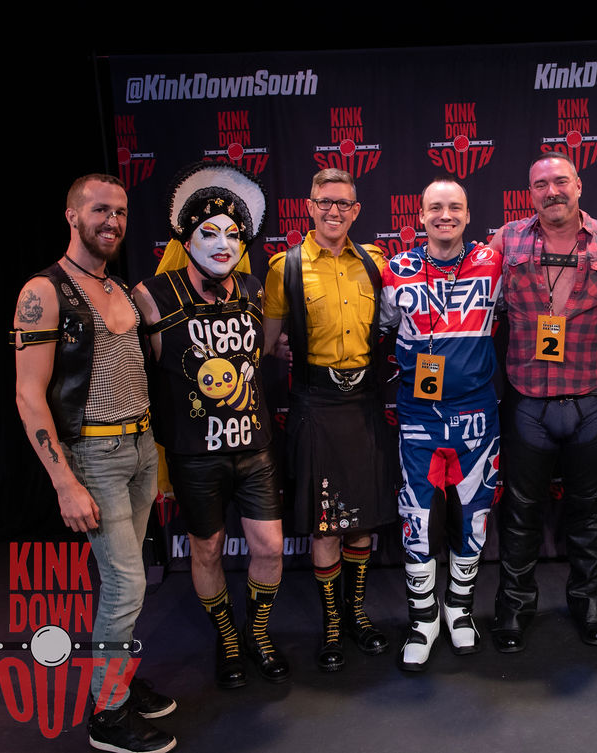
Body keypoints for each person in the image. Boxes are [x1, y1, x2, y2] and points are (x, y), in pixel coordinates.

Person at [11, 174, 176, 753]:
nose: (112, 221)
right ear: (72, 215)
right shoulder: (44, 291)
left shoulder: (123, 289)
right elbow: (28, 395)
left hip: (141, 450)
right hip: (94, 457)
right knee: (126, 585)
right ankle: (107, 713)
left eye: (121, 212)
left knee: (127, 583)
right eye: (100, 209)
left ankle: (119, 680)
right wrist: (64, 481)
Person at [131, 163, 289, 689]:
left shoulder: (252, 287)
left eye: (234, 235)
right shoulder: (151, 294)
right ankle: (227, 638)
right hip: (195, 453)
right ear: (186, 238)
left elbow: (264, 349)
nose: (224, 244)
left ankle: (257, 633)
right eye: (210, 232)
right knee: (207, 549)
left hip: (255, 447)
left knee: (269, 547)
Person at [490, 153, 597, 652]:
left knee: (590, 510)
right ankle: (513, 605)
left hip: (591, 396)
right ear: (530, 193)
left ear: (579, 185)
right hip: (527, 399)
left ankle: (591, 603)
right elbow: (470, 300)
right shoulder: (506, 239)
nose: (552, 191)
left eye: (560, 181)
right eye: (541, 184)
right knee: (520, 510)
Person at [263, 168, 396, 672]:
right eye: (325, 202)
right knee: (326, 526)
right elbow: (264, 344)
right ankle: (333, 625)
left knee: (362, 522)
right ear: (310, 206)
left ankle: (357, 615)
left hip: (363, 403)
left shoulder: (376, 262)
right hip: (315, 404)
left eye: (343, 203)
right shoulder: (285, 267)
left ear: (355, 211)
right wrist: (276, 346)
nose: (334, 211)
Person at [379, 178, 502, 670]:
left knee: (473, 515)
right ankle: (423, 617)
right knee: (416, 517)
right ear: (421, 215)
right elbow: (380, 329)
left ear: (468, 215)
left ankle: (459, 608)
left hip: (477, 413)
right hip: (417, 415)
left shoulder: (493, 263)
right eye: (435, 207)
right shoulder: (397, 269)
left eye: (454, 207)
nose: (444, 215)